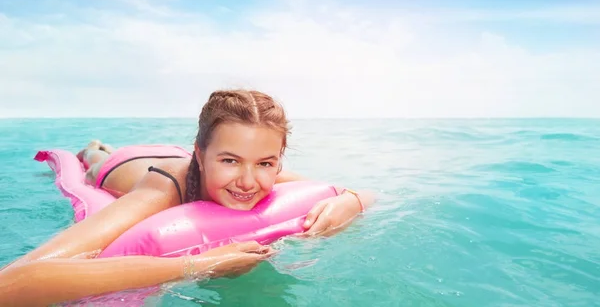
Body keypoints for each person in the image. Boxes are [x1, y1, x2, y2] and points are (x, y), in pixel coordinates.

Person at [0, 89, 374, 306]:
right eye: (230, 161)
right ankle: (95, 148)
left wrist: (350, 200)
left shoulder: (262, 175)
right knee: (95, 160)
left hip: (186, 153)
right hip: (128, 167)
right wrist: (196, 265)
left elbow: (360, 192)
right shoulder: (160, 192)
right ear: (202, 154)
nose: (248, 181)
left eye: (265, 163)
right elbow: (13, 283)